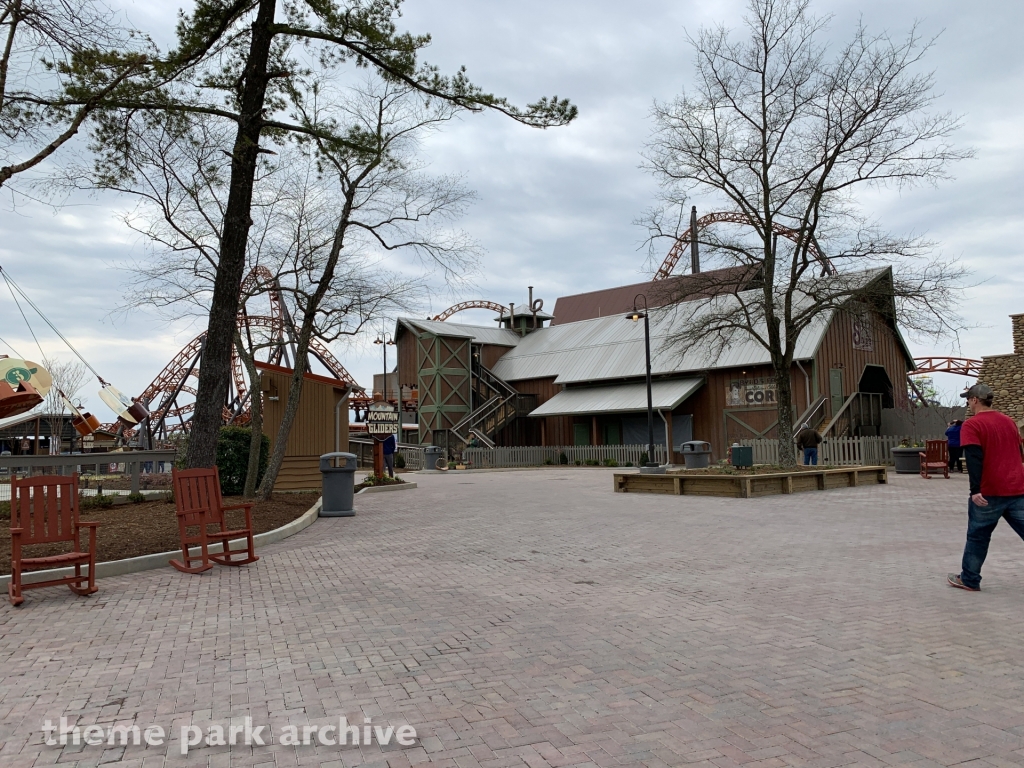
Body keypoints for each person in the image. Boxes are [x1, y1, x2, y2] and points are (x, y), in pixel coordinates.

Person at [947, 383, 1024, 591]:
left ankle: (970, 579)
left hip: (989, 492)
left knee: (978, 536)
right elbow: (1019, 451)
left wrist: (975, 490)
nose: (968, 403)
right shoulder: (1009, 421)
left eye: (968, 399)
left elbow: (973, 458)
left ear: (974, 400)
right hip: (1017, 488)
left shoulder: (972, 425)